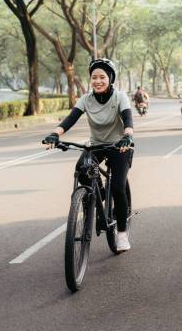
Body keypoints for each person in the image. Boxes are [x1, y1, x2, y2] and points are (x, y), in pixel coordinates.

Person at [43, 58, 134, 252]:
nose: (98, 81)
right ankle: (95, 194)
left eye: (102, 77)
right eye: (94, 77)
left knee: (118, 187)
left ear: (110, 79)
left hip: (120, 146)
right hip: (96, 145)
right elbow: (71, 118)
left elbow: (127, 117)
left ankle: (122, 234)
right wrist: (55, 133)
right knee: (82, 170)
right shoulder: (86, 99)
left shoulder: (120, 97)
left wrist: (128, 136)